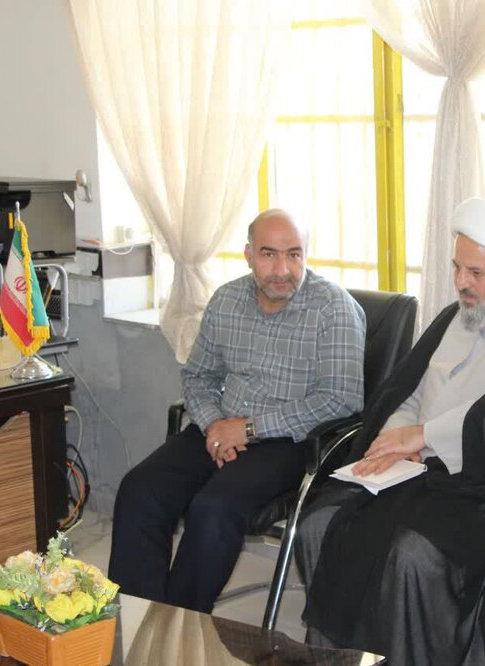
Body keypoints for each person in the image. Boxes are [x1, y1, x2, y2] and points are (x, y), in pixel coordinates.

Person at [296, 198, 485, 666]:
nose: (461, 282)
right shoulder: (460, 314)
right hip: (416, 470)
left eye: (476, 272)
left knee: (414, 555)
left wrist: (425, 436)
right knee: (320, 523)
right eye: (457, 267)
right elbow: (407, 391)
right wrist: (396, 440)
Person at [108, 208, 365, 614]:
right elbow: (198, 376)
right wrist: (215, 425)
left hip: (290, 441)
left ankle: (181, 624)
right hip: (220, 428)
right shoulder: (226, 300)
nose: (282, 269)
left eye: (294, 255)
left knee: (213, 509)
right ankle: (140, 621)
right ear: (248, 255)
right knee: (140, 490)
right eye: (269, 254)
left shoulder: (333, 309)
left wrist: (247, 429)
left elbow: (340, 400)